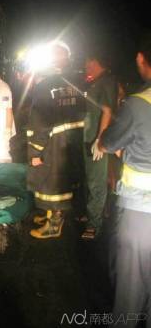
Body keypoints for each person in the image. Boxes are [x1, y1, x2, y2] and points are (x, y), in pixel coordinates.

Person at [99, 36, 151, 328]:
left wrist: (107, 118)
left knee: (129, 292)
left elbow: (108, 144)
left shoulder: (137, 104)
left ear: (142, 60)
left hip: (140, 215)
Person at [27, 41, 86, 239]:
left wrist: (35, 151)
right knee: (64, 180)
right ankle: (51, 214)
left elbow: (39, 121)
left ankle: (54, 224)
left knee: (50, 183)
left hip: (52, 142)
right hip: (74, 140)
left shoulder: (45, 86)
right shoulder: (79, 82)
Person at [81, 52, 118, 239]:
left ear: (95, 61)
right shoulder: (95, 82)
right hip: (89, 137)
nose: (86, 67)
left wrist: (100, 139)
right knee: (90, 179)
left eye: (88, 63)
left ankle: (95, 223)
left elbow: (108, 111)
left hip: (98, 141)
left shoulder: (107, 81)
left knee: (97, 182)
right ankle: (91, 214)